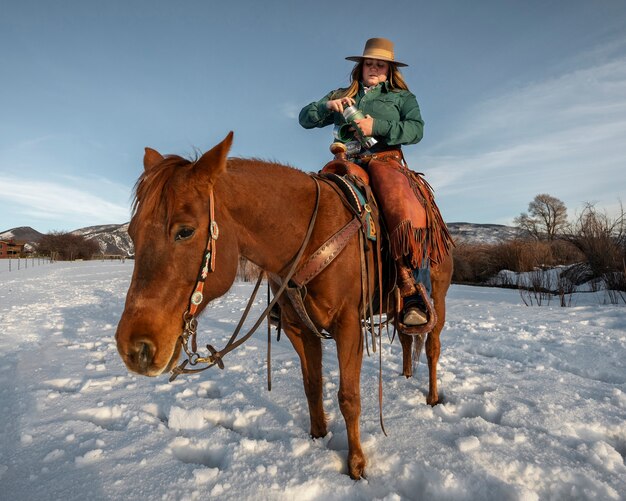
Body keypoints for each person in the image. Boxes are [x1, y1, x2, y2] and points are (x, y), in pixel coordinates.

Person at [299, 37, 452, 328]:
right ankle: (297, 289)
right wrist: (326, 106)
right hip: (344, 161)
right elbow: (304, 119)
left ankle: (412, 292)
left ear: (389, 69)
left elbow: (416, 130)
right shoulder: (342, 93)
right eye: (369, 63)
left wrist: (377, 126)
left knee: (400, 207)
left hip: (384, 161)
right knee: (309, 202)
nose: (374, 68)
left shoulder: (401, 97)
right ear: (361, 66)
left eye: (380, 64)